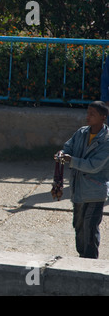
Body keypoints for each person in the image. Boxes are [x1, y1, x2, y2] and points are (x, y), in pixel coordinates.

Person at [55, 101, 109, 259]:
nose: (88, 117)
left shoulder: (106, 141)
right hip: (78, 190)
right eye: (88, 113)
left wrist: (70, 160)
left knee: (90, 228)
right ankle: (82, 256)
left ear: (103, 118)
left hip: (95, 192)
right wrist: (62, 153)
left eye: (92, 114)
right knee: (78, 226)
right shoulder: (81, 132)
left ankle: (90, 261)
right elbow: (68, 147)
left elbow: (94, 166)